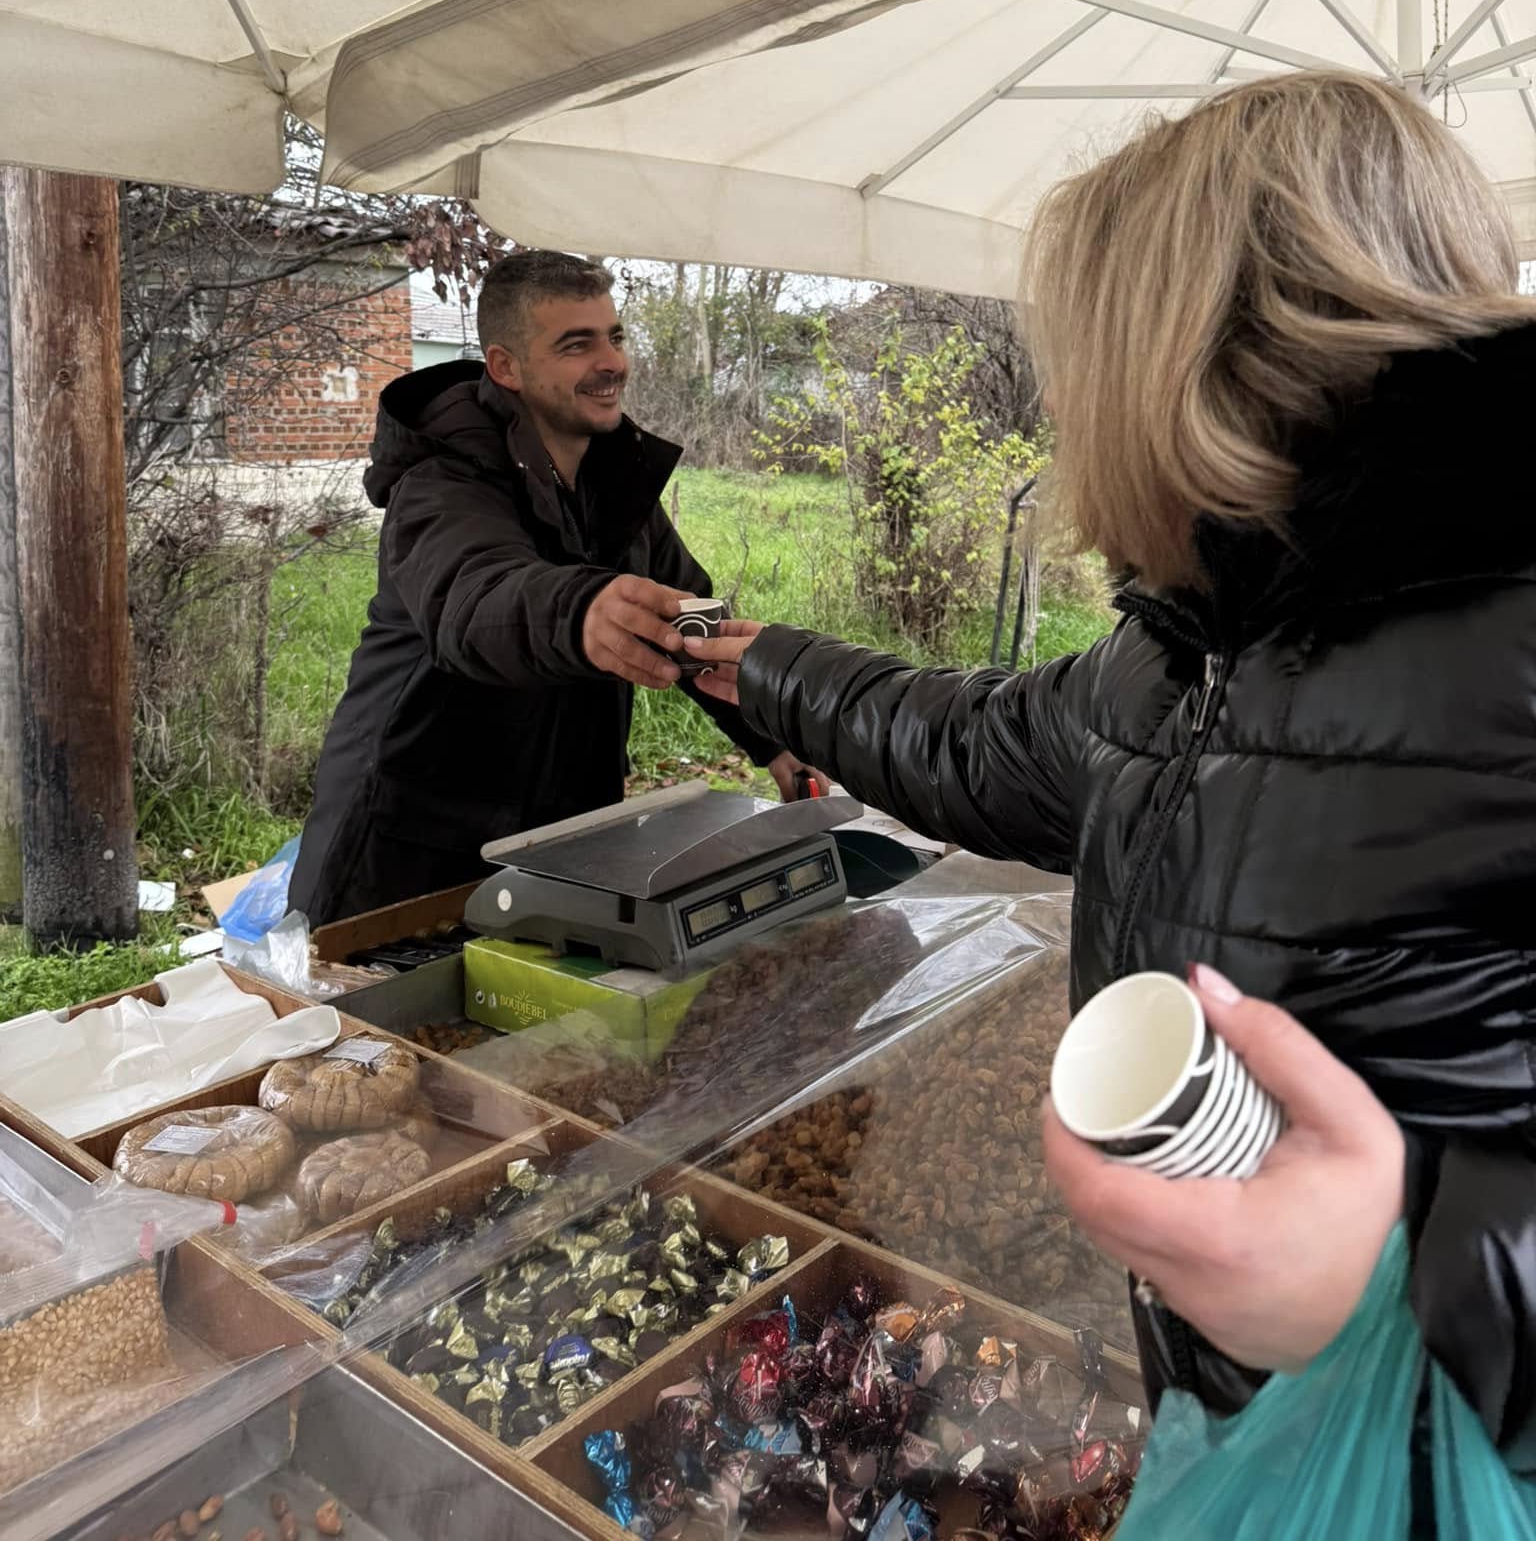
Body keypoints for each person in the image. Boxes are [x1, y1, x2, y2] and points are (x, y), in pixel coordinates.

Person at [687, 72, 1536, 1478]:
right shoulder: (1201, 640)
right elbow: (971, 743)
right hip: (1250, 1416)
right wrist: (764, 665)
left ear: (1191, 352)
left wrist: (1400, 1299)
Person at [289, 250, 816, 926]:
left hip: (559, 838)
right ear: (506, 366)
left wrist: (774, 740)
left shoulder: (616, 486)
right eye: (577, 344)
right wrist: (583, 612)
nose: (612, 363)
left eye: (614, 337)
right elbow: (474, 596)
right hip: (405, 852)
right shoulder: (441, 482)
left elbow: (696, 627)